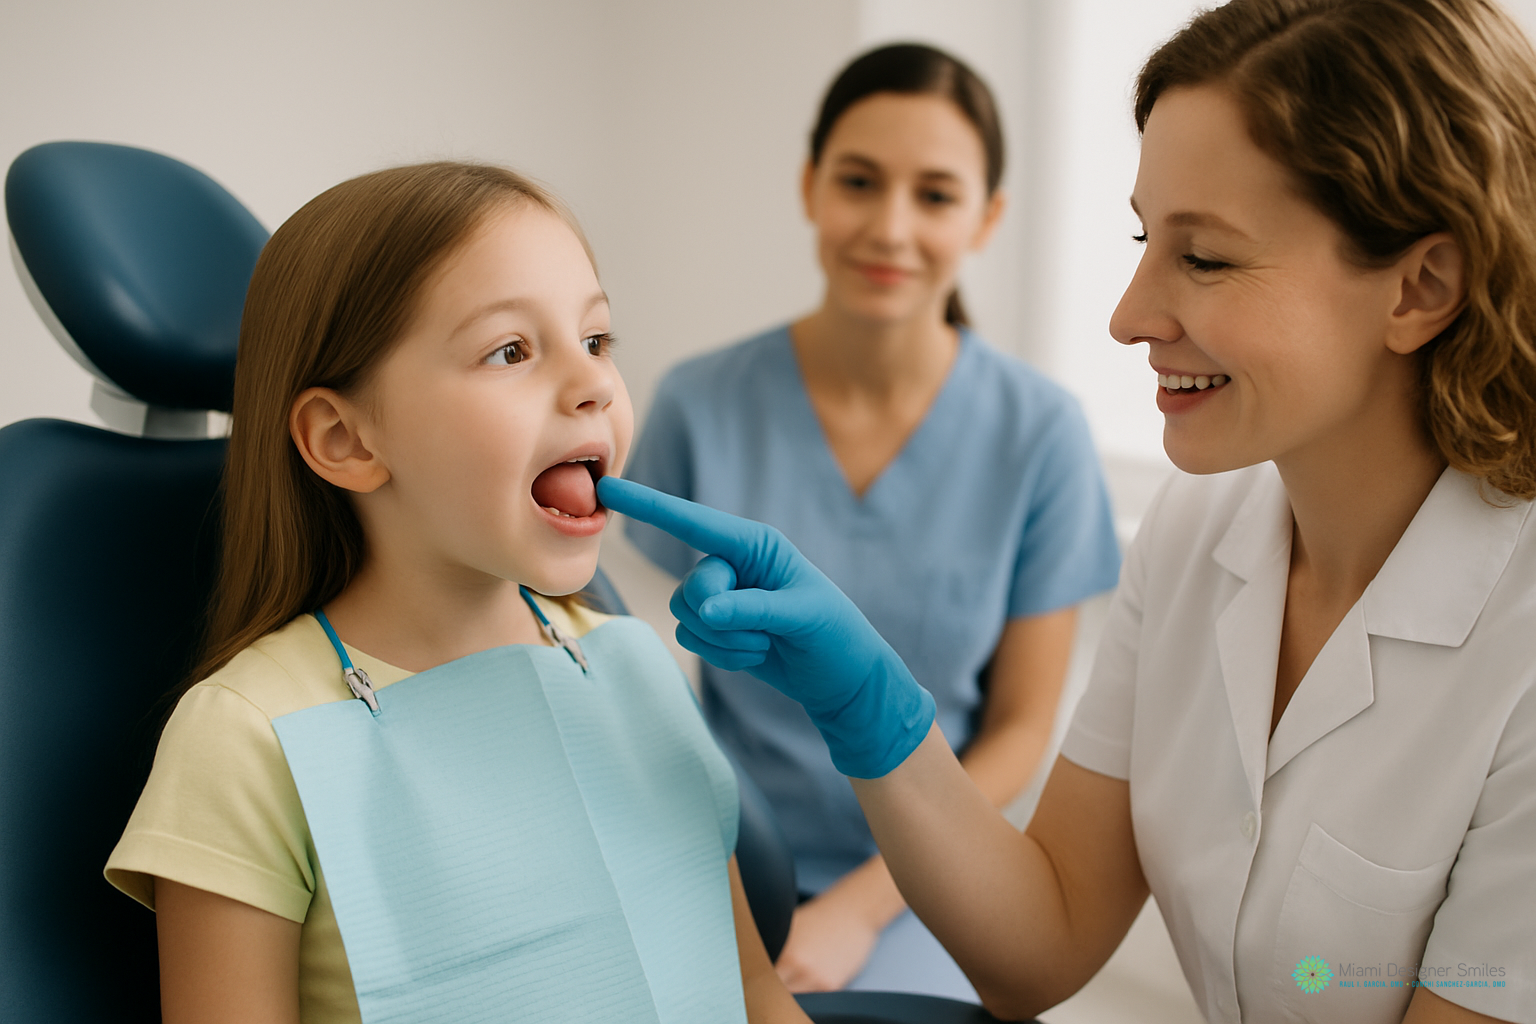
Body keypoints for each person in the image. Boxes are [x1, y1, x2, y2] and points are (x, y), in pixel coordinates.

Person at [601, 0, 1536, 1021]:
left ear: (1419, 287)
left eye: (1206, 256)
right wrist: (872, 711)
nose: (1128, 316)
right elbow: (1040, 942)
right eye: (1144, 238)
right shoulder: (1196, 534)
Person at [103, 163, 809, 1024]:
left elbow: (754, 996)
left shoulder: (635, 665)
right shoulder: (248, 739)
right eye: (510, 350)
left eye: (596, 341)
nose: (593, 384)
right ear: (345, 439)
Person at [622, 43, 1120, 1000]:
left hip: (932, 873)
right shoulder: (697, 402)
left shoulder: (1041, 434)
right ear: (811, 187)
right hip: (710, 854)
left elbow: (1020, 730)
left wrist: (861, 906)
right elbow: (633, 666)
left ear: (989, 219)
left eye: (935, 195)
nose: (890, 228)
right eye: (859, 182)